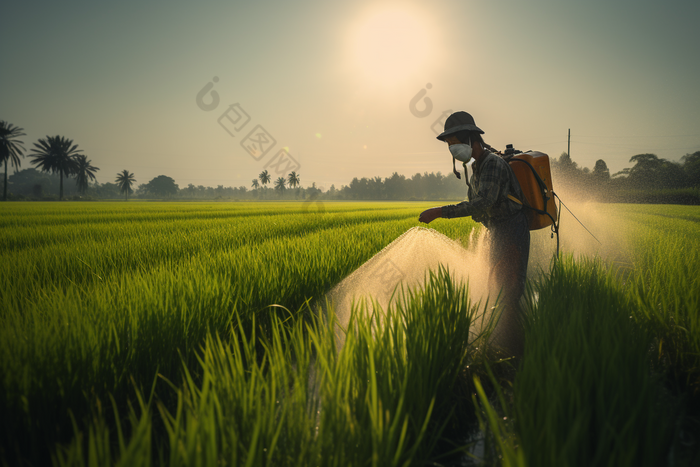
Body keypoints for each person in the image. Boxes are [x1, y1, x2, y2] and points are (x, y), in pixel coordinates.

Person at [418, 111, 530, 357]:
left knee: (509, 295)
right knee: (497, 288)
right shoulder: (479, 166)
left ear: (470, 138)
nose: (453, 150)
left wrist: (439, 212)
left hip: (511, 229)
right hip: (498, 231)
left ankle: (519, 358)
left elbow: (482, 203)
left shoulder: (492, 164)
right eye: (450, 146)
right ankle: (502, 347)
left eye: (454, 143)